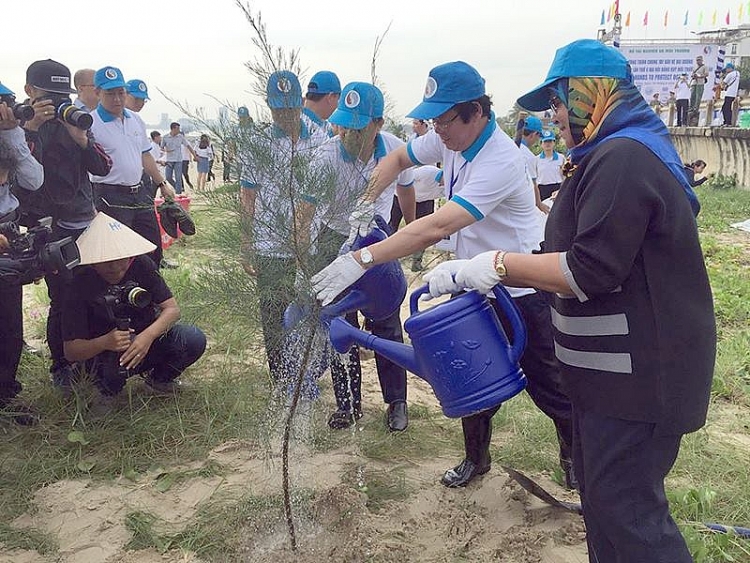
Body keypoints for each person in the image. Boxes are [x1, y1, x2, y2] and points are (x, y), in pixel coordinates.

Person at [423, 40, 714, 562]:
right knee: (604, 506)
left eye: (558, 102)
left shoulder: (624, 157)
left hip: (642, 379)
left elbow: (589, 269)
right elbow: (567, 252)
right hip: (607, 380)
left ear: (590, 94)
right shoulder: (604, 154)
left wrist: (496, 264)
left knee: (630, 517)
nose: (555, 117)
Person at [311, 62, 574, 487]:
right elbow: (397, 157)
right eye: (433, 120)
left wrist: (361, 260)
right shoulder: (450, 137)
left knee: (549, 382)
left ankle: (574, 462)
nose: (438, 130)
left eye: (444, 120)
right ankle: (476, 460)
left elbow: (435, 226)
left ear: (476, 112)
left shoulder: (501, 160)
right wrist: (367, 198)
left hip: (522, 284)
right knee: (469, 375)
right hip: (471, 281)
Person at [312, 81, 415, 432]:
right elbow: (304, 213)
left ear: (378, 124)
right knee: (339, 323)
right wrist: (304, 260)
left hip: (375, 240)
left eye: (358, 128)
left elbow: (405, 188)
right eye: (344, 125)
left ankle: (396, 402)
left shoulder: (397, 150)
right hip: (334, 236)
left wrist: (410, 231)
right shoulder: (326, 156)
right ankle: (349, 403)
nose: (349, 135)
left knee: (386, 321)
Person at [21, 59, 113, 391]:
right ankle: (61, 364)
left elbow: (104, 166)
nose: (58, 103)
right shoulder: (19, 126)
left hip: (84, 221)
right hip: (50, 227)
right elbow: (21, 179)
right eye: (49, 96)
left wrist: (81, 138)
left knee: (94, 291)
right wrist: (29, 130)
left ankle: (90, 358)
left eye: (63, 95)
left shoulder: (74, 120)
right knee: (62, 298)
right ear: (30, 92)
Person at [239, 70, 326, 386]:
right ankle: (281, 376)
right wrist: (246, 240)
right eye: (278, 109)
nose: (285, 116)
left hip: (310, 244)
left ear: (301, 103)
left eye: (290, 108)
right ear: (269, 106)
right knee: (273, 312)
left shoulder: (320, 139)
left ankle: (309, 370)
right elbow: (248, 195)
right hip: (269, 244)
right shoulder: (257, 141)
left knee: (311, 308)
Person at [62, 212, 206, 400]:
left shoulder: (141, 265)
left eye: (121, 259)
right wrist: (105, 342)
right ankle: (103, 391)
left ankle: (160, 380)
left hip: (143, 343)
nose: (114, 267)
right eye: (106, 261)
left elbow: (172, 309)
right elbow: (71, 351)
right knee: (105, 370)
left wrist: (147, 336)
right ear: (93, 262)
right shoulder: (79, 283)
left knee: (192, 338)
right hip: (103, 352)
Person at [88, 65, 175, 271]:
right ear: (97, 92)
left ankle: (152, 292)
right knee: (119, 251)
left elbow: (145, 155)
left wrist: (162, 183)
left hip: (139, 192)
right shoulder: (91, 123)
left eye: (121, 93)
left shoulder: (135, 119)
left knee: (151, 244)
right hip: (110, 195)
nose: (117, 99)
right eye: (110, 94)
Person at [0, 85, 45, 425]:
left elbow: (33, 180)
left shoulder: (10, 136)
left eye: (9, 105)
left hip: (8, 230)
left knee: (9, 325)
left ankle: (6, 394)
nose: (8, 111)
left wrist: (14, 134)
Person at [388, 164, 443, 271]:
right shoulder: (428, 172)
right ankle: (388, 260)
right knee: (391, 227)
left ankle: (417, 263)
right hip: (400, 197)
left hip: (424, 203)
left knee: (423, 232)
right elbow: (404, 179)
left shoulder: (451, 188)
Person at [516, 115, 548, 214]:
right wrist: (539, 204)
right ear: (534, 134)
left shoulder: (509, 146)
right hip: (520, 201)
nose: (537, 140)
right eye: (538, 137)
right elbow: (533, 184)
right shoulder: (529, 156)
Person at [302, 70, 340, 138]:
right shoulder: (317, 133)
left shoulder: (295, 120)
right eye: (338, 99)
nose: (337, 105)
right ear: (330, 97)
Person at [161, 122, 195, 194]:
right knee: (168, 177)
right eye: (177, 129)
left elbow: (188, 146)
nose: (179, 130)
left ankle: (178, 193)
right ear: (173, 129)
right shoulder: (165, 137)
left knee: (178, 178)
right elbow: (161, 148)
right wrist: (166, 150)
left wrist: (195, 156)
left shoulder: (180, 137)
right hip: (169, 160)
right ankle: (177, 188)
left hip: (178, 160)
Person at [536, 130, 564, 201]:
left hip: (557, 188)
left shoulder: (561, 158)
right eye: (545, 142)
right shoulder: (536, 159)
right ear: (541, 144)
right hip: (542, 189)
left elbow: (565, 175)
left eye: (550, 141)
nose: (547, 144)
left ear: (554, 143)